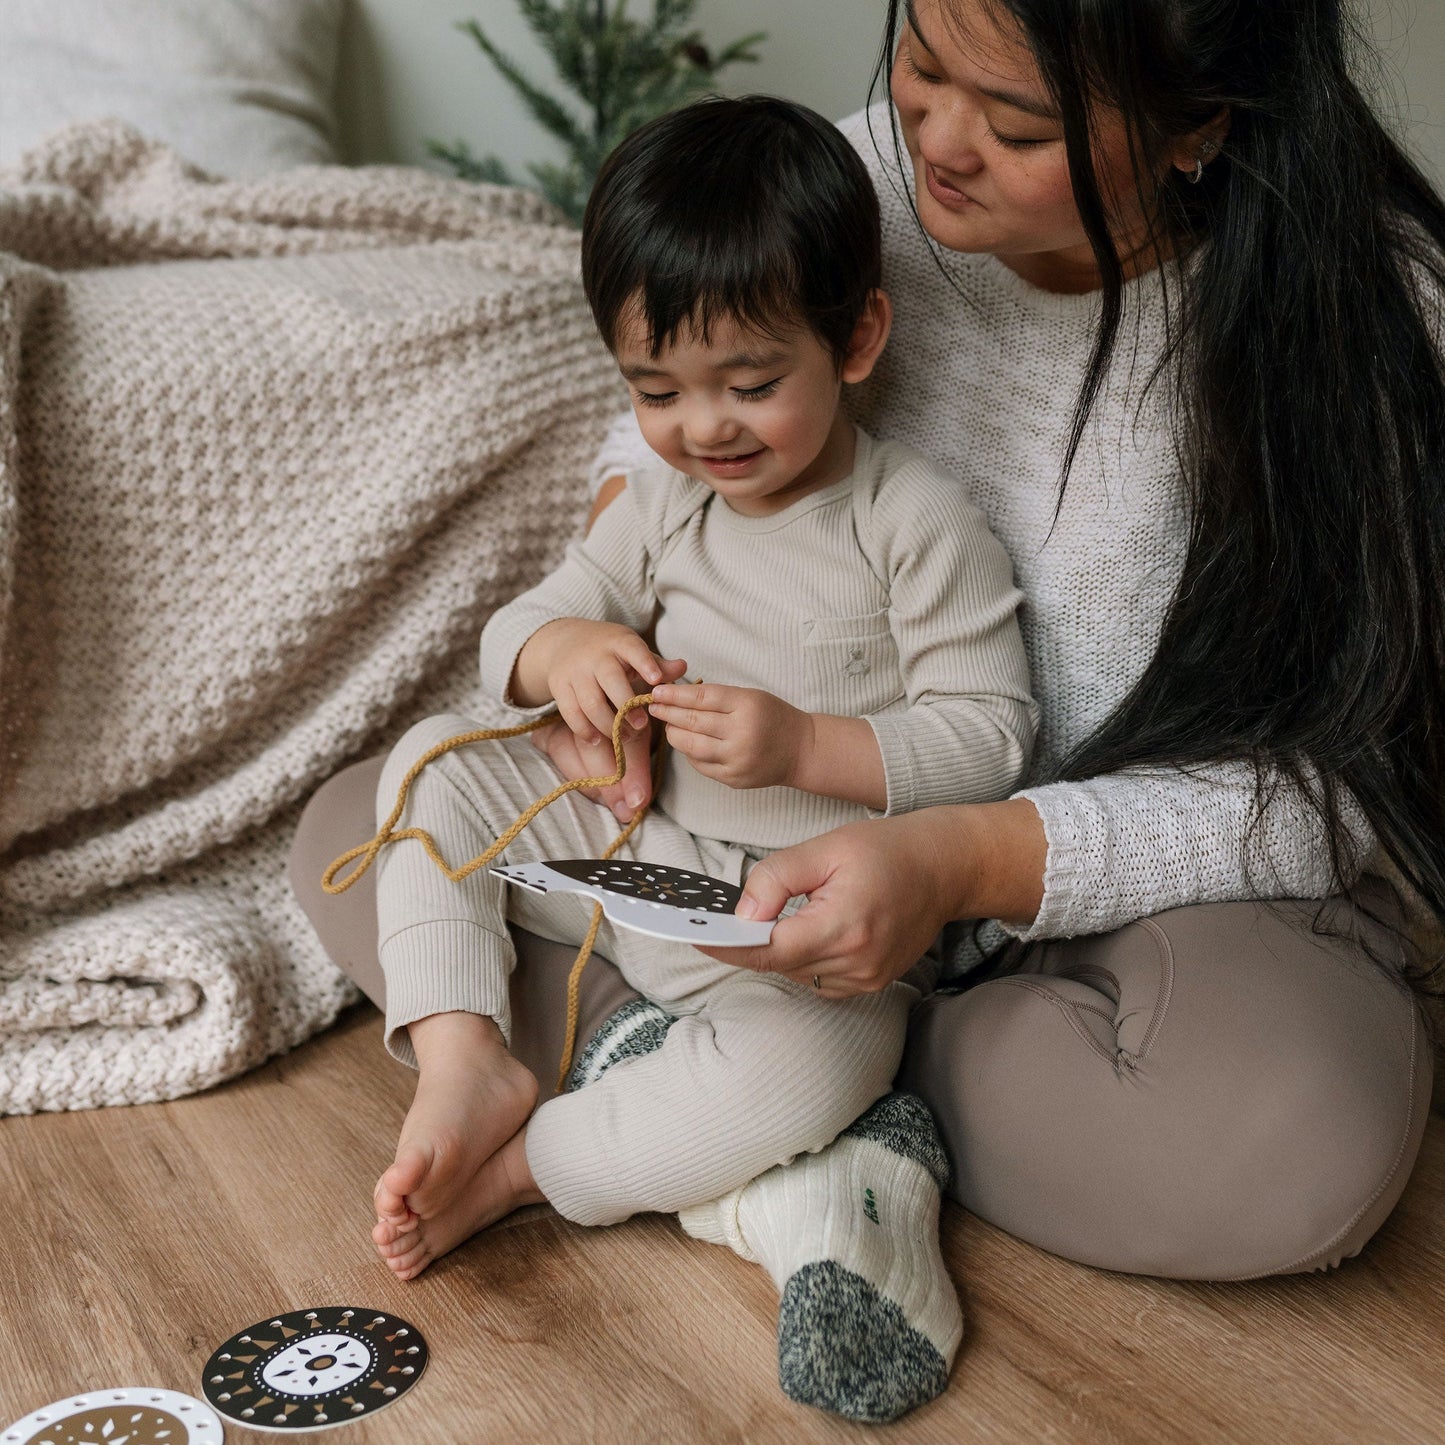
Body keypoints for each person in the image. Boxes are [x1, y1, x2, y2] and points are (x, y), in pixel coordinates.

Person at [291, 0, 1444, 1423]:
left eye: (1014, 123)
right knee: (359, 821)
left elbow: (1317, 784)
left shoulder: (1363, 333)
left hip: (1111, 881)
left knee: (1293, 1140)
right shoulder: (858, 181)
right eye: (919, 67)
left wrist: (951, 861)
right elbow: (663, 440)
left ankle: (764, 1100)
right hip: (736, 868)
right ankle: (737, 1111)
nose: (934, 144)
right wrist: (594, 660)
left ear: (1199, 128)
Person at [328, 94, 1035, 1419]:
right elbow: (521, 624)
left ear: (857, 337)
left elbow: (990, 735)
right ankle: (462, 1053)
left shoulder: (912, 522)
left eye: (750, 385)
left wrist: (807, 745)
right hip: (646, 851)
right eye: (654, 390)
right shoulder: (662, 502)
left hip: (796, 926)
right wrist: (568, 657)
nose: (703, 426)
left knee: (818, 1067)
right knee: (431, 761)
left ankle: (536, 1162)